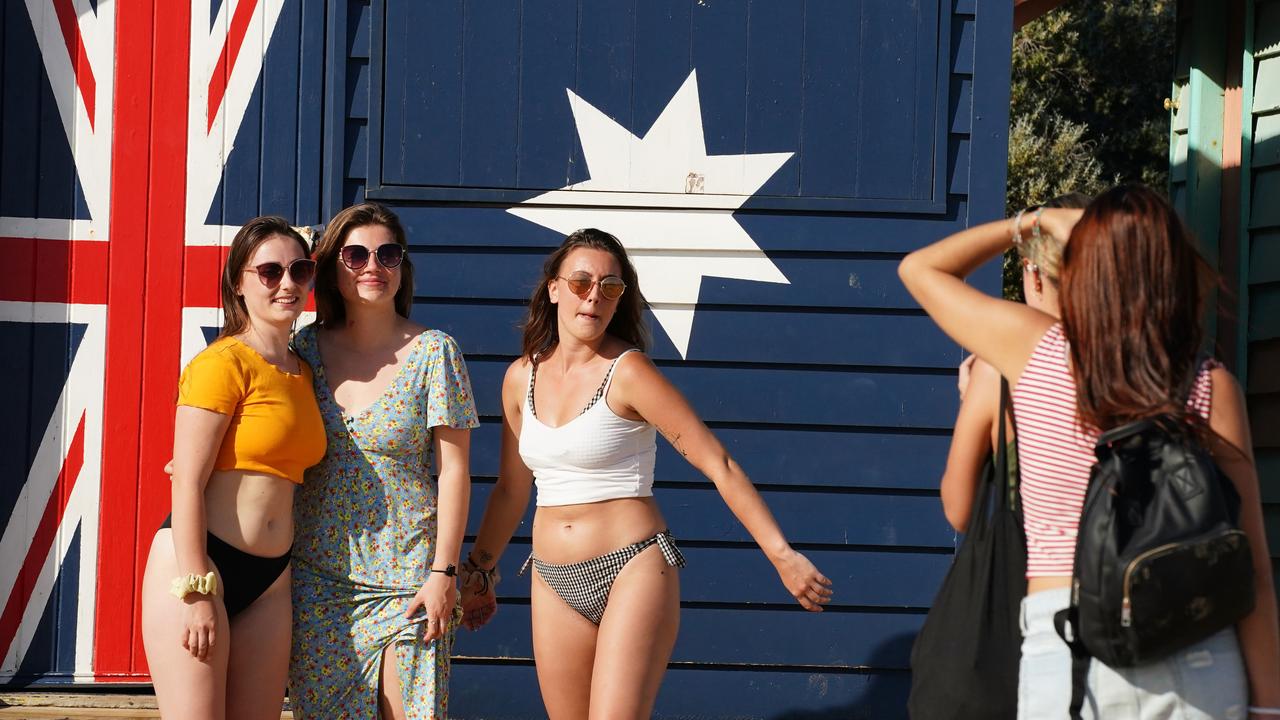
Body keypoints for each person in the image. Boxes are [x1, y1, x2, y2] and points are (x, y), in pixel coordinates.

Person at [899, 185, 1280, 719]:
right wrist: (1267, 709)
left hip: (1070, 653)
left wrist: (1031, 223)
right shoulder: (1211, 387)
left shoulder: (1033, 352)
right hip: (1199, 653)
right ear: (1172, 274)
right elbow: (1253, 568)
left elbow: (920, 271)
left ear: (1084, 268)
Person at [457, 228, 833, 719]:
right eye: (581, 282)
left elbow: (717, 461)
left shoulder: (629, 371)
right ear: (552, 288)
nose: (594, 296)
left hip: (633, 567)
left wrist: (782, 556)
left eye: (610, 288)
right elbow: (511, 488)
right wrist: (480, 570)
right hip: (551, 577)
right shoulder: (518, 378)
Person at [287, 202, 479, 720]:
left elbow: (455, 471)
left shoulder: (435, 351)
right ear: (334, 268)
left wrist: (444, 572)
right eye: (356, 254)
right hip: (320, 580)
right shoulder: (301, 350)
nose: (373, 265)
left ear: (402, 266)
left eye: (387, 253)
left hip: (411, 579)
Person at [141, 217, 325, 720]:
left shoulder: (305, 370)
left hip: (271, 581)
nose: (287, 284)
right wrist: (196, 587)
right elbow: (187, 481)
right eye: (269, 271)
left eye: (300, 270)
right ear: (238, 283)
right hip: (202, 566)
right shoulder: (221, 363)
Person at [942, 192, 1090, 532]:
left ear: (1033, 273)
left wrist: (975, 403)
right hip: (1132, 577)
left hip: (1035, 573)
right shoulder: (1152, 360)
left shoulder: (1000, 370)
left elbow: (959, 511)